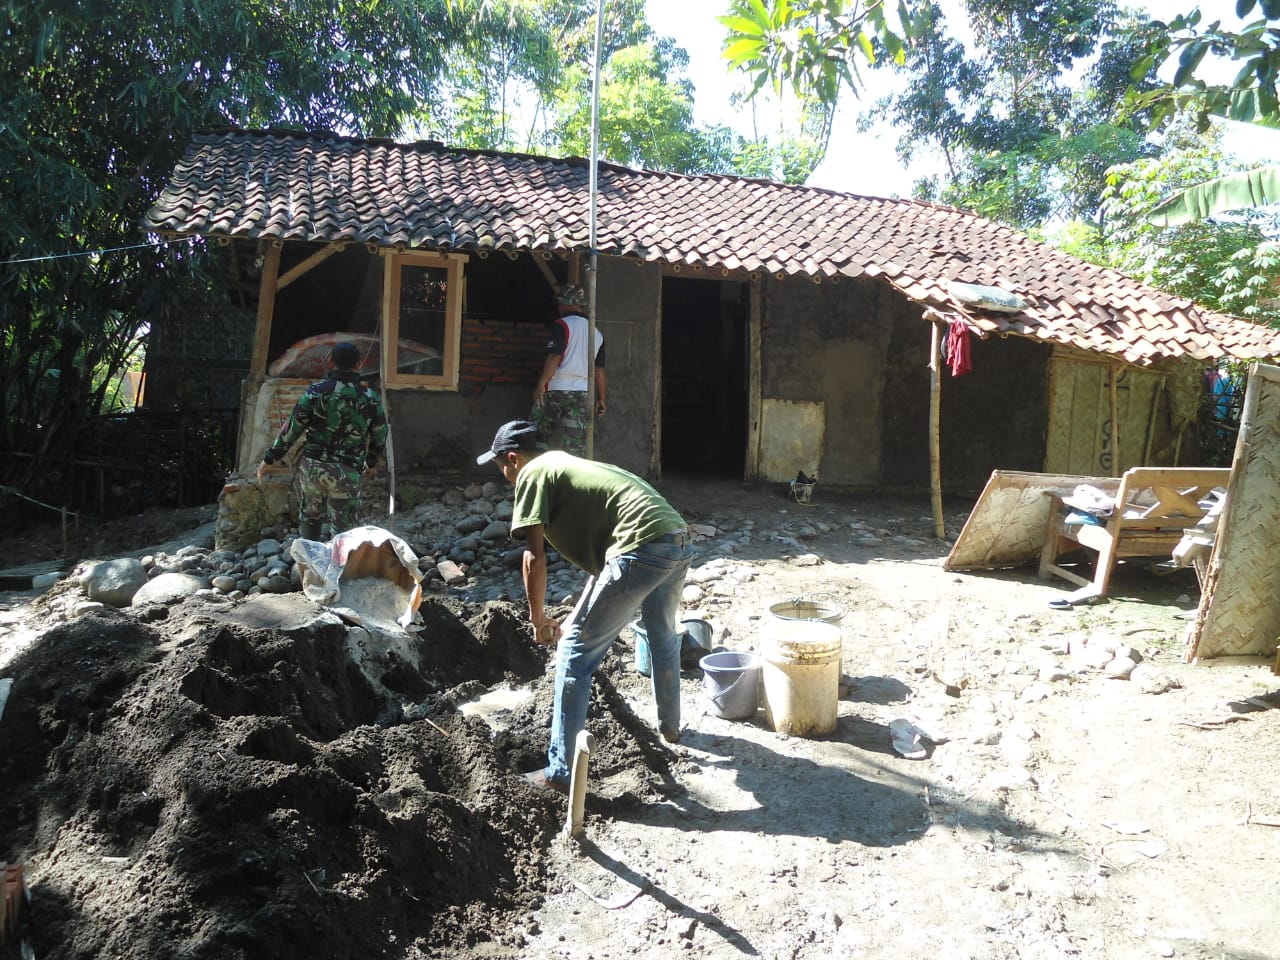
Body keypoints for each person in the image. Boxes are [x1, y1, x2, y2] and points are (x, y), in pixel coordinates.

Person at [477, 419, 692, 793]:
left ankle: (560, 773)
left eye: (502, 469)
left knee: (574, 654)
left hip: (640, 547)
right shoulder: (569, 465)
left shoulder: (532, 474)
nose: (507, 477)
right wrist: (575, 614)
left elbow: (533, 557)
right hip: (675, 538)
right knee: (660, 633)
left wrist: (537, 617)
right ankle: (670, 726)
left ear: (512, 459)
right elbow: (605, 571)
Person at [256, 341, 388, 541]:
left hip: (314, 470)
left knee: (310, 517)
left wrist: (270, 458)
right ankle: (340, 567)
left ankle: (309, 563)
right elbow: (380, 434)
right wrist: (370, 463)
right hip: (348, 471)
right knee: (344, 526)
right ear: (359, 364)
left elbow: (292, 428)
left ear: (330, 362)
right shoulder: (370, 398)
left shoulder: (315, 392)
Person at [531, 284, 606, 456]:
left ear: (571, 303)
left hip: (556, 390)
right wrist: (602, 398)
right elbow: (600, 369)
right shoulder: (597, 333)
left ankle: (537, 474)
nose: (559, 307)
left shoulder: (562, 325)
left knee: (538, 435)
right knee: (574, 446)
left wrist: (541, 384)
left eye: (561, 303)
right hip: (582, 394)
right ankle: (569, 481)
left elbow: (554, 356)